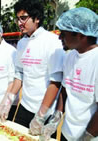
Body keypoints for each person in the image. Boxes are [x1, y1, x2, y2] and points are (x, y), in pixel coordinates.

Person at [0, 0, 65, 132]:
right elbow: (19, 75)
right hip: (25, 106)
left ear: (37, 18)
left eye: (23, 18)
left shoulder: (52, 42)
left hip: (45, 110)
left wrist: (40, 116)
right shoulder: (22, 43)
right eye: (17, 19)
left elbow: (55, 82)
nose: (19, 23)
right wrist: (7, 102)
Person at [55, 7, 98, 141]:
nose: (59, 37)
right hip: (67, 133)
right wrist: (57, 115)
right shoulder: (70, 56)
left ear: (81, 35)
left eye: (63, 33)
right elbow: (65, 90)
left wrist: (87, 137)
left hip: (90, 135)